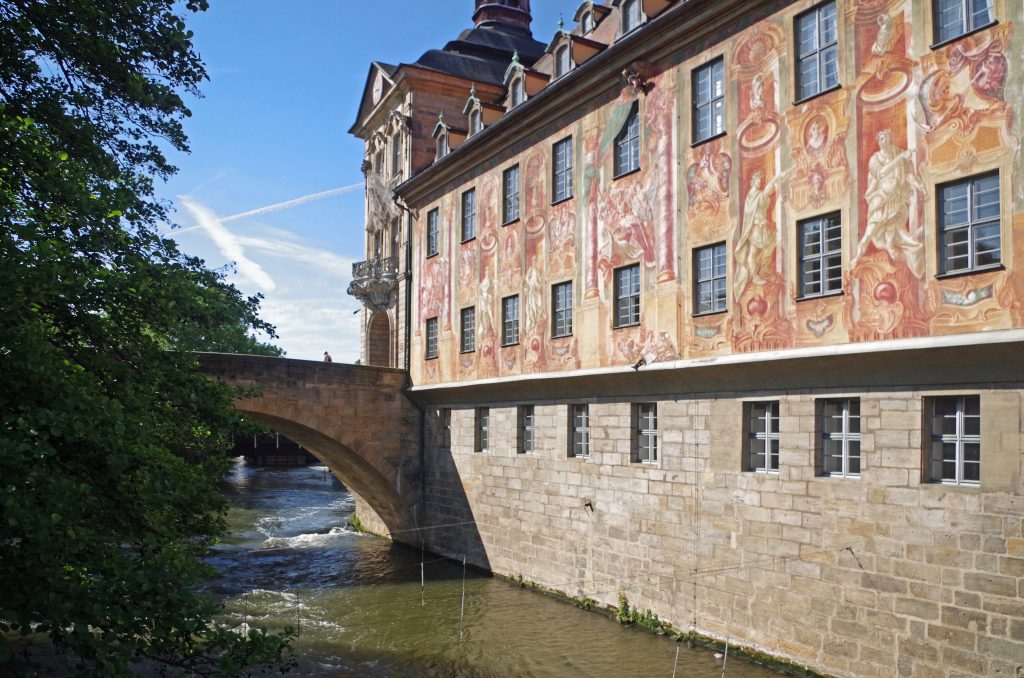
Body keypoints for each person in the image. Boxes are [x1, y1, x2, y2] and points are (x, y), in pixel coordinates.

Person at [854, 129, 925, 277]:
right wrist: (901, 159)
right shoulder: (875, 159)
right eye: (880, 138)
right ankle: (856, 258)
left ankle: (890, 246)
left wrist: (917, 183)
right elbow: (881, 173)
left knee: (894, 224)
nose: (883, 141)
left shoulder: (898, 152)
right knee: (869, 233)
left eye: (885, 137)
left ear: (890, 139)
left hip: (896, 198)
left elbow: (908, 174)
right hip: (880, 200)